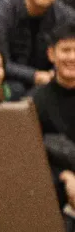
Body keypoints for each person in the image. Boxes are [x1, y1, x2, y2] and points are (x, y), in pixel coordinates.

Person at [28, 23, 75, 211]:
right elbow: (30, 155)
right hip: (53, 188)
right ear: (51, 54)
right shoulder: (35, 101)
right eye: (65, 50)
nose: (72, 57)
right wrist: (64, 176)